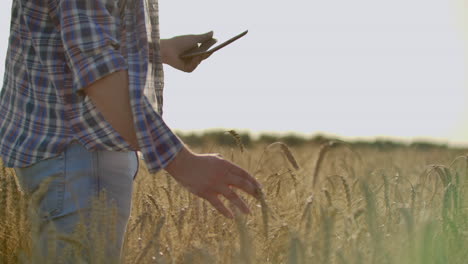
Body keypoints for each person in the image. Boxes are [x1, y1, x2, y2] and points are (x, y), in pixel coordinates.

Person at [0, 0, 262, 262]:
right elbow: (95, 67)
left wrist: (159, 50)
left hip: (72, 158)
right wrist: (184, 163)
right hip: (81, 157)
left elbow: (71, 42)